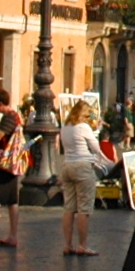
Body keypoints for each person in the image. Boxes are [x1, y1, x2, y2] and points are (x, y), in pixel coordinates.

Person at [57, 103, 103, 256]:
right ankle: (82, 245)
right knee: (84, 208)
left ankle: (67, 245)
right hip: (82, 166)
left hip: (67, 165)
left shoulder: (65, 126)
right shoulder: (83, 127)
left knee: (69, 207)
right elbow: (95, 147)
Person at [0, 108, 27, 248]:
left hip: (5, 162)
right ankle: (13, 235)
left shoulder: (8, 117)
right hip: (13, 162)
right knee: (12, 200)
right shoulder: (17, 116)